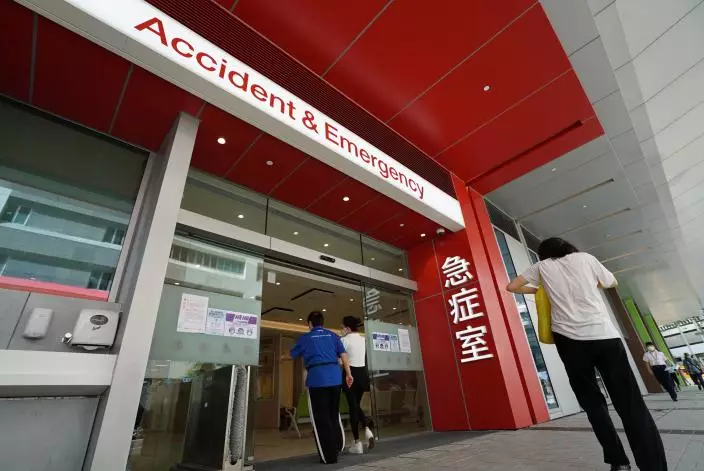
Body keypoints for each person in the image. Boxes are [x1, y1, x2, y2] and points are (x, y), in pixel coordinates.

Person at [507, 237, 667, 471]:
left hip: (569, 341)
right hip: (604, 336)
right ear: (567, 246)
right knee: (630, 403)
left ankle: (619, 462)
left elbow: (511, 287)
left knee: (593, 405)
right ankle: (653, 466)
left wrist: (539, 289)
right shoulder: (586, 259)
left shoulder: (541, 267)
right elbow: (611, 282)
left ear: (543, 253)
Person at [291, 311, 354, 465]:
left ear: (309, 324)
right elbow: (344, 355)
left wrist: (281, 357)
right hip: (335, 378)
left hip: (317, 379)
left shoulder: (305, 338)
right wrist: (348, 373)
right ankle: (337, 446)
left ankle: (329, 456)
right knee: (333, 414)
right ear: (322, 322)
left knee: (321, 418)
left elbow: (292, 354)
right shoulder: (333, 336)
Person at [340, 316, 375, 454]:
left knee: (353, 407)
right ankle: (367, 430)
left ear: (347, 328)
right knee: (355, 405)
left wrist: (341, 337)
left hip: (350, 375)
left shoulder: (344, 340)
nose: (342, 329)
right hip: (362, 375)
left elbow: (339, 360)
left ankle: (357, 442)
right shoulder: (362, 339)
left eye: (343, 327)